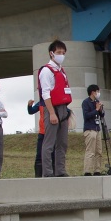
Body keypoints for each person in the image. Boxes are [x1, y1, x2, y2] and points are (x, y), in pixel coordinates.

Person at [38, 40, 73, 177]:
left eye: (63, 53)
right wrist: (52, 113)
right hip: (52, 108)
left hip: (63, 109)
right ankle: (47, 173)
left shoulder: (61, 70)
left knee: (62, 143)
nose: (61, 55)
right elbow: (45, 93)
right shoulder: (46, 71)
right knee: (49, 143)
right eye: (59, 52)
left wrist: (67, 114)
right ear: (51, 53)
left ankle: (60, 171)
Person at [82, 84, 104, 176]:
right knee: (90, 151)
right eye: (97, 91)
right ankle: (87, 170)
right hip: (90, 129)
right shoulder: (86, 102)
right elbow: (86, 115)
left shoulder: (97, 101)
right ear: (92, 92)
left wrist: (101, 109)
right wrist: (96, 109)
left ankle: (97, 170)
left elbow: (102, 115)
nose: (98, 93)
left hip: (97, 129)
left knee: (98, 151)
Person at [27, 96, 45, 177]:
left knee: (52, 154)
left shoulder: (54, 101)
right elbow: (31, 111)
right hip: (42, 132)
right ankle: (38, 176)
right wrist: (29, 106)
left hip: (51, 132)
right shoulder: (41, 103)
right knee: (39, 155)